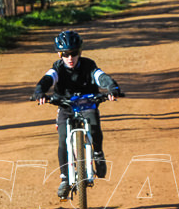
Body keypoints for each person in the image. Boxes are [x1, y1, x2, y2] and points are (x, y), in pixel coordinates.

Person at [30, 30, 122, 199]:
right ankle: (65, 178)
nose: (70, 58)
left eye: (73, 54)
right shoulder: (57, 68)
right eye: (65, 54)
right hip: (66, 106)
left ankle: (98, 154)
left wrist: (112, 88)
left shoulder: (89, 65)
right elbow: (46, 80)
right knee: (63, 138)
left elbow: (101, 77)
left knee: (93, 125)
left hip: (88, 104)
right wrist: (39, 92)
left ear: (80, 52)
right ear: (60, 54)